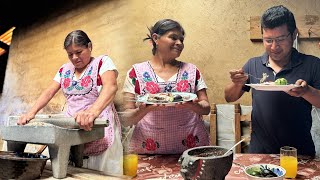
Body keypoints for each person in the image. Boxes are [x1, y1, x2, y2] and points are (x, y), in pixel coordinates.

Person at [8, 30, 123, 175]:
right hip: (72, 127)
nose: (74, 58)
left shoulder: (102, 62)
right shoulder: (64, 70)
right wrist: (30, 113)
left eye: (79, 52)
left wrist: (92, 112)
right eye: (70, 54)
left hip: (97, 123)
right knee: (72, 172)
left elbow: (111, 86)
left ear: (89, 46)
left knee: (97, 174)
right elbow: (49, 92)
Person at [224, 5, 320, 157]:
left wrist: (307, 91)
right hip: (260, 153)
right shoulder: (253, 64)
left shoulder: (312, 64)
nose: (274, 47)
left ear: (294, 34)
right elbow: (229, 97)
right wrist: (237, 83)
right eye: (268, 40)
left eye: (281, 39)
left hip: (299, 154)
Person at [122, 19, 210, 154]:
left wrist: (193, 106)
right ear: (156, 38)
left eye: (181, 39)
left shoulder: (192, 71)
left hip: (190, 149)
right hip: (148, 149)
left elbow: (206, 108)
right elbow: (127, 119)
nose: (179, 43)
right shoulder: (136, 73)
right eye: (173, 37)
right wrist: (143, 110)